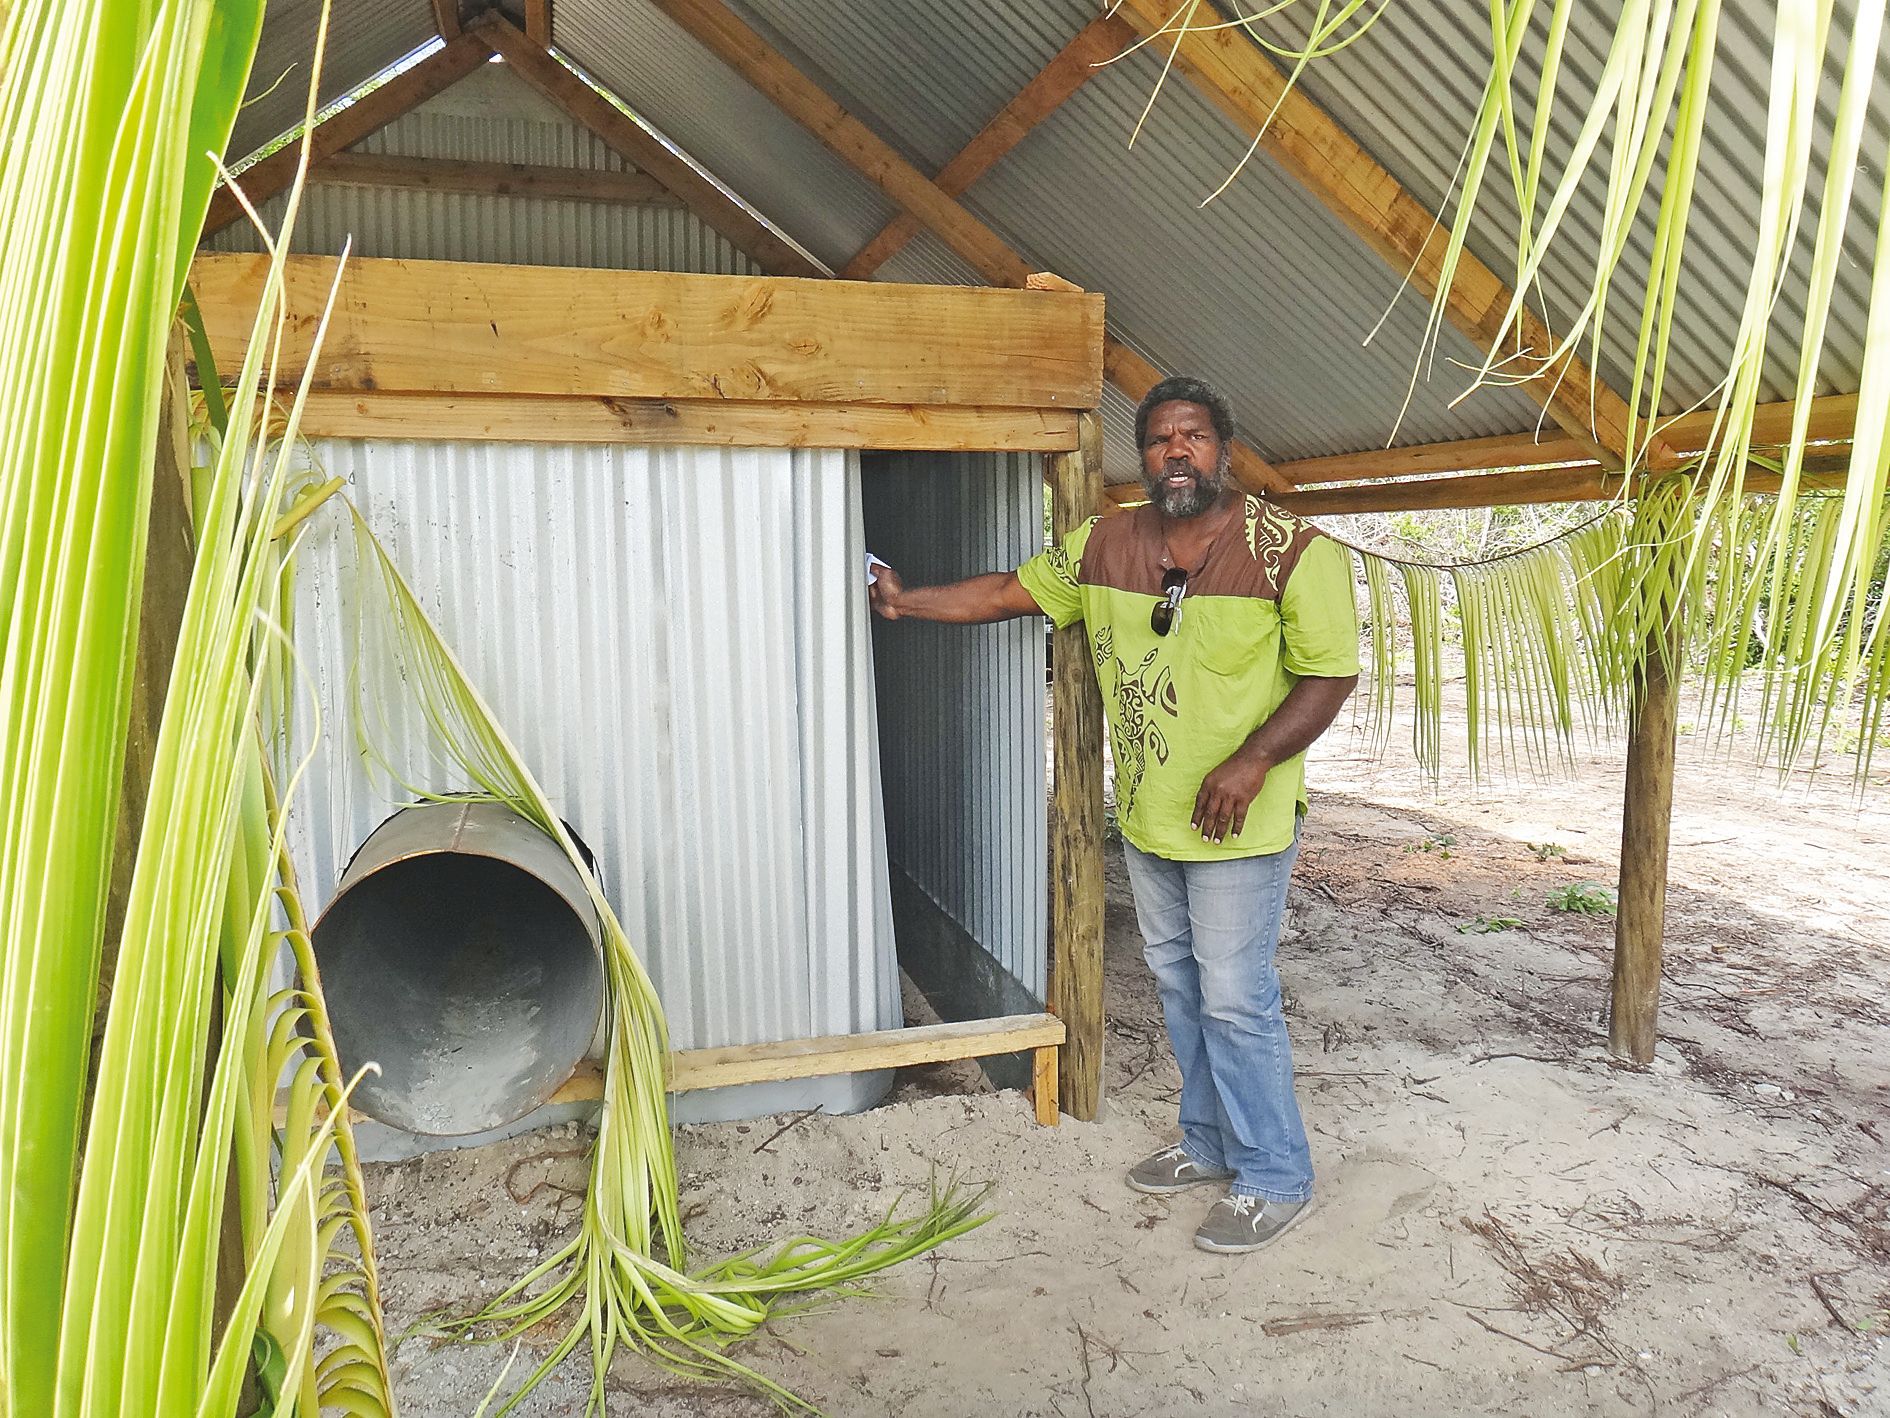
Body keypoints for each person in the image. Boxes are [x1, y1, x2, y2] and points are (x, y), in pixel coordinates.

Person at [868, 375, 1360, 1254]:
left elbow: (1329, 674)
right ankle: (1209, 1143)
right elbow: (1009, 593)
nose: (1179, 452)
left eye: (1196, 437)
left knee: (1237, 999)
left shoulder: (1290, 551)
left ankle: (1276, 1174)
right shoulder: (1106, 542)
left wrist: (1252, 761)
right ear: (1145, 456)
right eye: (1162, 439)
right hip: (1146, 815)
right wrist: (907, 603)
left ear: (1225, 450)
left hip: (1237, 825)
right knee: (1182, 988)